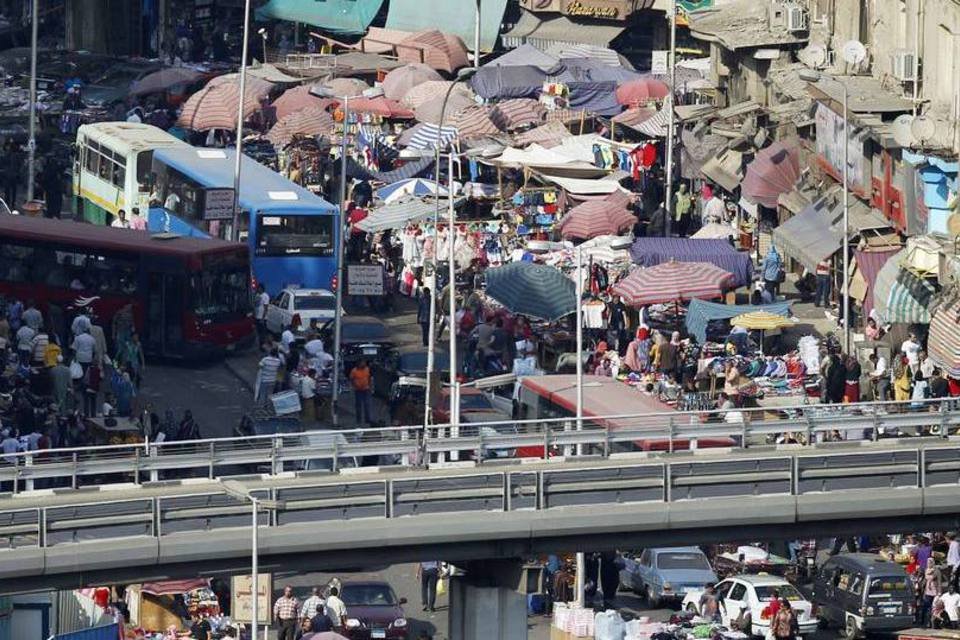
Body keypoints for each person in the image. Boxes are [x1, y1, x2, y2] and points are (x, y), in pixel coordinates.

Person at [349, 359, 373, 425]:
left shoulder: (367, 369)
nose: (364, 364)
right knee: (358, 405)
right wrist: (354, 386)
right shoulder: (354, 371)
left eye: (364, 363)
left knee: (367, 404)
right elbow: (351, 379)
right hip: (358, 390)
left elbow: (369, 378)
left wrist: (370, 386)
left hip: (366, 389)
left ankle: (368, 419)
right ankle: (358, 419)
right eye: (362, 363)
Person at [923, 557, 943, 627]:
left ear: (933, 563)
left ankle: (933, 623)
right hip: (928, 591)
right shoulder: (926, 570)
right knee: (927, 607)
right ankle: (928, 622)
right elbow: (926, 579)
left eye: (930, 562)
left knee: (934, 608)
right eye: (928, 562)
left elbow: (939, 582)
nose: (928, 564)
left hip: (935, 592)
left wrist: (940, 592)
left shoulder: (937, 571)